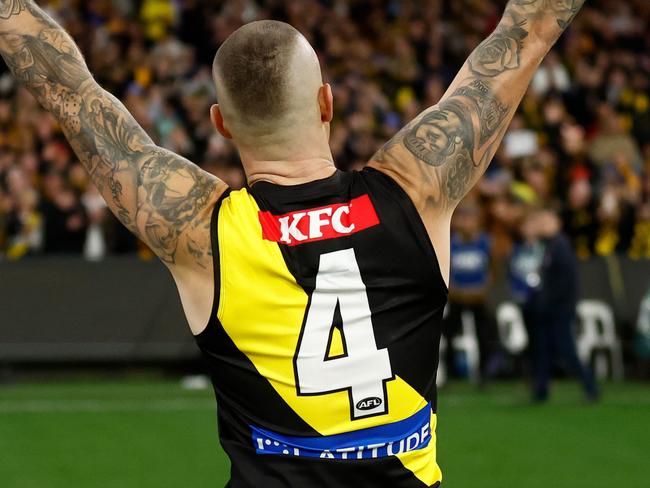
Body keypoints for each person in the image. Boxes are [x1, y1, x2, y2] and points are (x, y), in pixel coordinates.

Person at [0, 1, 587, 486]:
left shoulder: (198, 229)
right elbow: (529, 28)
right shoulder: (417, 188)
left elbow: (68, 91)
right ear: (326, 102)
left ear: (220, 123)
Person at [527, 209, 599, 403]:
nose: (541, 226)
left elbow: (566, 282)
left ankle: (590, 386)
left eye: (545, 221)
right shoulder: (548, 246)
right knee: (544, 351)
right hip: (547, 310)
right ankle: (541, 389)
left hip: (559, 310)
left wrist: (548, 301)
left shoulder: (561, 246)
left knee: (566, 350)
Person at [444, 200, 502, 383]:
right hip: (457, 297)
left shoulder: (486, 242)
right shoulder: (450, 241)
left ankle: (485, 373)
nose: (465, 222)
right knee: (448, 335)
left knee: (484, 335)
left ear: (478, 220)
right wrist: (453, 290)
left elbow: (493, 270)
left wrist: (484, 289)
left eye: (470, 218)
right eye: (462, 218)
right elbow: (446, 269)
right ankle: (450, 373)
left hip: (479, 298)